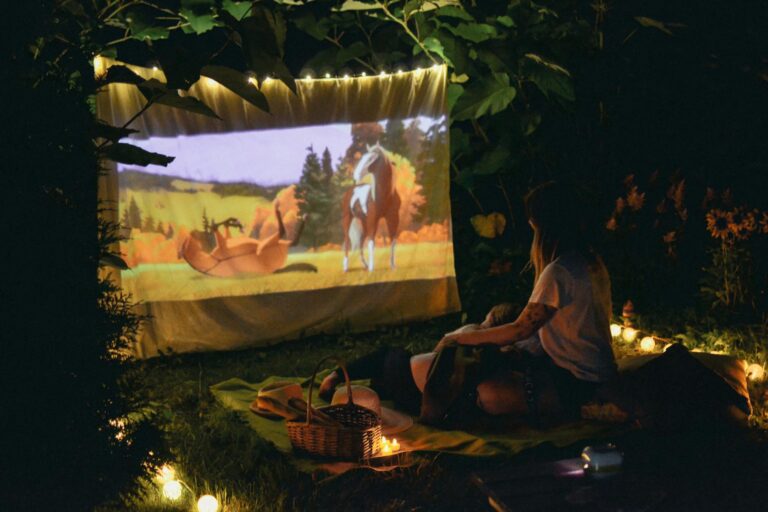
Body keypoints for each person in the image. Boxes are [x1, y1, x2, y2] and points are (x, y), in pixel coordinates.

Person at [321, 181, 617, 424]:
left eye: (533, 229)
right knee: (397, 371)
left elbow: (518, 330)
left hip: (573, 378)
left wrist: (462, 338)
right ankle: (343, 378)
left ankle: (341, 377)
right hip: (592, 374)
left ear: (546, 228)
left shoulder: (560, 271)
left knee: (396, 365)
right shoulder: (589, 262)